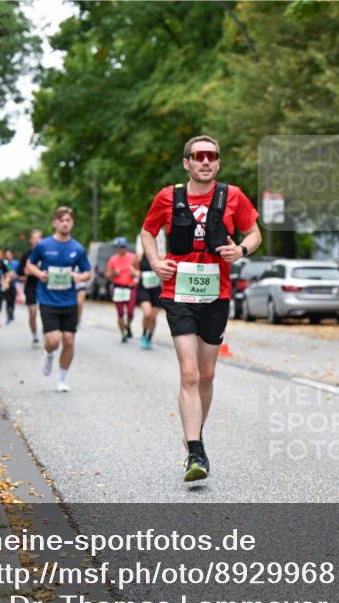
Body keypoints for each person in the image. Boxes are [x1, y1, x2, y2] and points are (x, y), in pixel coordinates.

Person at [140, 135, 262, 482]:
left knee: (207, 374)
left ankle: (196, 433)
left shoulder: (232, 196)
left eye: (211, 156)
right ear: (187, 163)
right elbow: (148, 232)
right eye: (198, 156)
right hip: (177, 291)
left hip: (216, 293)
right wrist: (155, 261)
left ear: (218, 163)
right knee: (189, 372)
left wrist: (241, 250)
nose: (205, 162)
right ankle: (195, 451)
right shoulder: (168, 196)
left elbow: (254, 232)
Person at [26, 207, 91, 392]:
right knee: (53, 340)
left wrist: (78, 277)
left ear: (72, 223)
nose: (65, 223)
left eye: (68, 220)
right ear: (54, 222)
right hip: (48, 299)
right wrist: (39, 274)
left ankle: (62, 379)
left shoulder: (77, 248)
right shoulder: (43, 245)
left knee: (69, 340)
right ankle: (48, 353)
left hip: (69, 300)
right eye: (61, 220)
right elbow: (30, 264)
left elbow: (87, 271)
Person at [105, 236, 139, 343]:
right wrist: (114, 273)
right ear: (117, 248)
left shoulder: (133, 257)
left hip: (130, 288)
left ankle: (127, 326)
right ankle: (123, 333)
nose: (122, 249)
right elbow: (107, 274)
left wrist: (134, 273)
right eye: (120, 247)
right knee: (120, 313)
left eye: (124, 247)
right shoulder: (113, 259)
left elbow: (138, 272)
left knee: (130, 313)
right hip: (118, 288)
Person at [134, 232, 164, 350]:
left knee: (153, 316)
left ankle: (149, 337)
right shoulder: (140, 255)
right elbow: (132, 267)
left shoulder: (160, 257)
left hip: (156, 289)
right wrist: (137, 273)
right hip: (144, 287)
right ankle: (143, 334)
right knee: (147, 313)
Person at [19, 229, 43, 345]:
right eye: (35, 238)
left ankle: (48, 332)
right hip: (31, 287)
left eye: (39, 238)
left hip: (45, 287)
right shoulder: (26, 255)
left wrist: (32, 271)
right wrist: (30, 272)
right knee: (33, 313)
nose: (37, 240)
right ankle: (34, 335)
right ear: (31, 240)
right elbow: (22, 272)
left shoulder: (46, 254)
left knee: (46, 312)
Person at [4, 248, 19, 324]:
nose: (8, 256)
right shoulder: (5, 263)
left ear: (12, 255)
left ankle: (12, 313)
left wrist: (15, 276)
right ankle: (8, 317)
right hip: (6, 285)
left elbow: (19, 273)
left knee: (12, 301)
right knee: (7, 301)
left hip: (13, 285)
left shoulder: (16, 263)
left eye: (9, 255)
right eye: (7, 255)